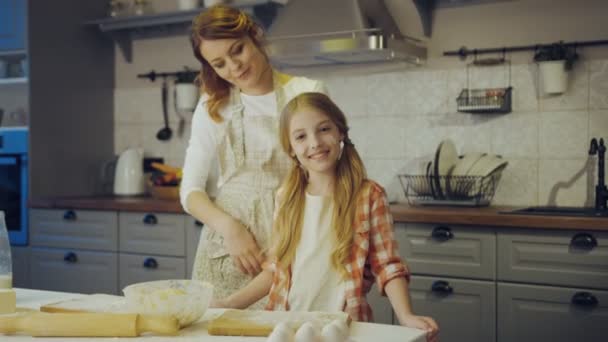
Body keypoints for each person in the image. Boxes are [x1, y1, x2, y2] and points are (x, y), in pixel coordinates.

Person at [212, 92, 439, 342]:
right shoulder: (286, 197)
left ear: (340, 131)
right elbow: (276, 268)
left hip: (343, 327)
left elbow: (387, 265)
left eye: (323, 129)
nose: (315, 142)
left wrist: (406, 316)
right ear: (291, 149)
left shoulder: (368, 196)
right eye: (301, 136)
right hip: (286, 325)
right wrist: (230, 303)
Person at [180, 5, 327, 306]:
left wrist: (289, 245)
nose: (234, 67)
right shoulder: (213, 105)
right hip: (225, 251)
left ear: (255, 36)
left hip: (289, 246)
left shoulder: (306, 92)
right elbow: (190, 192)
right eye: (219, 63)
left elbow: (324, 181)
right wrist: (230, 229)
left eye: (238, 50)